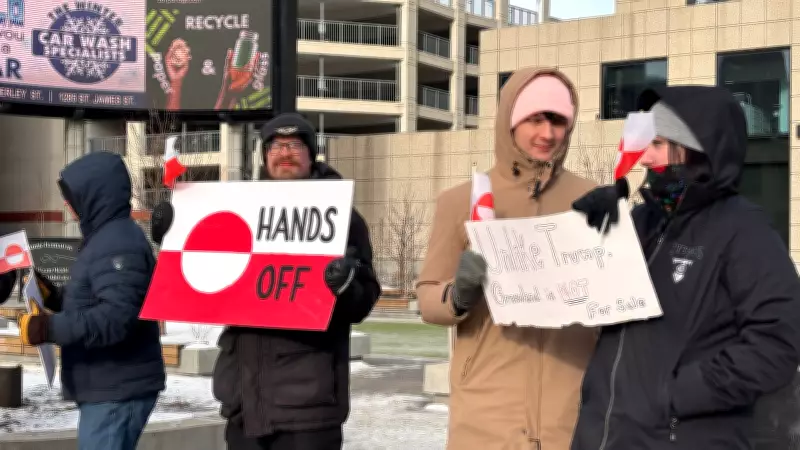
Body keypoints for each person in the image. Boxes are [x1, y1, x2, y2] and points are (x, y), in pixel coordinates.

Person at [571, 85, 800, 450]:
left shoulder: (743, 230)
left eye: (658, 144)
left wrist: (679, 392)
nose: (645, 158)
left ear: (696, 151)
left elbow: (778, 343)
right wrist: (593, 232)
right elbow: (593, 302)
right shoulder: (644, 220)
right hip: (607, 437)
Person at [150, 112, 381, 450]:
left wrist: (346, 286)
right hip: (245, 402)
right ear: (263, 156)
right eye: (275, 146)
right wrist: (172, 237)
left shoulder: (341, 215)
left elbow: (364, 300)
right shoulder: (239, 209)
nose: (284, 153)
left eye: (294, 145)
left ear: (311, 154)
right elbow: (206, 273)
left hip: (307, 407)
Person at [416, 67, 599, 449]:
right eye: (535, 119)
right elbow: (429, 299)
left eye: (558, 121)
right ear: (510, 121)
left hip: (571, 414)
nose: (547, 134)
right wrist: (458, 294)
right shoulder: (461, 201)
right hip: (487, 413)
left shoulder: (594, 202)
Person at [17, 152, 165, 450]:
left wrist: (47, 328)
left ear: (94, 195)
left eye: (72, 196)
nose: (67, 204)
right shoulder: (105, 238)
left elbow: (115, 317)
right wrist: (52, 295)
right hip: (107, 386)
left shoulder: (118, 242)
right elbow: (95, 301)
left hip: (115, 390)